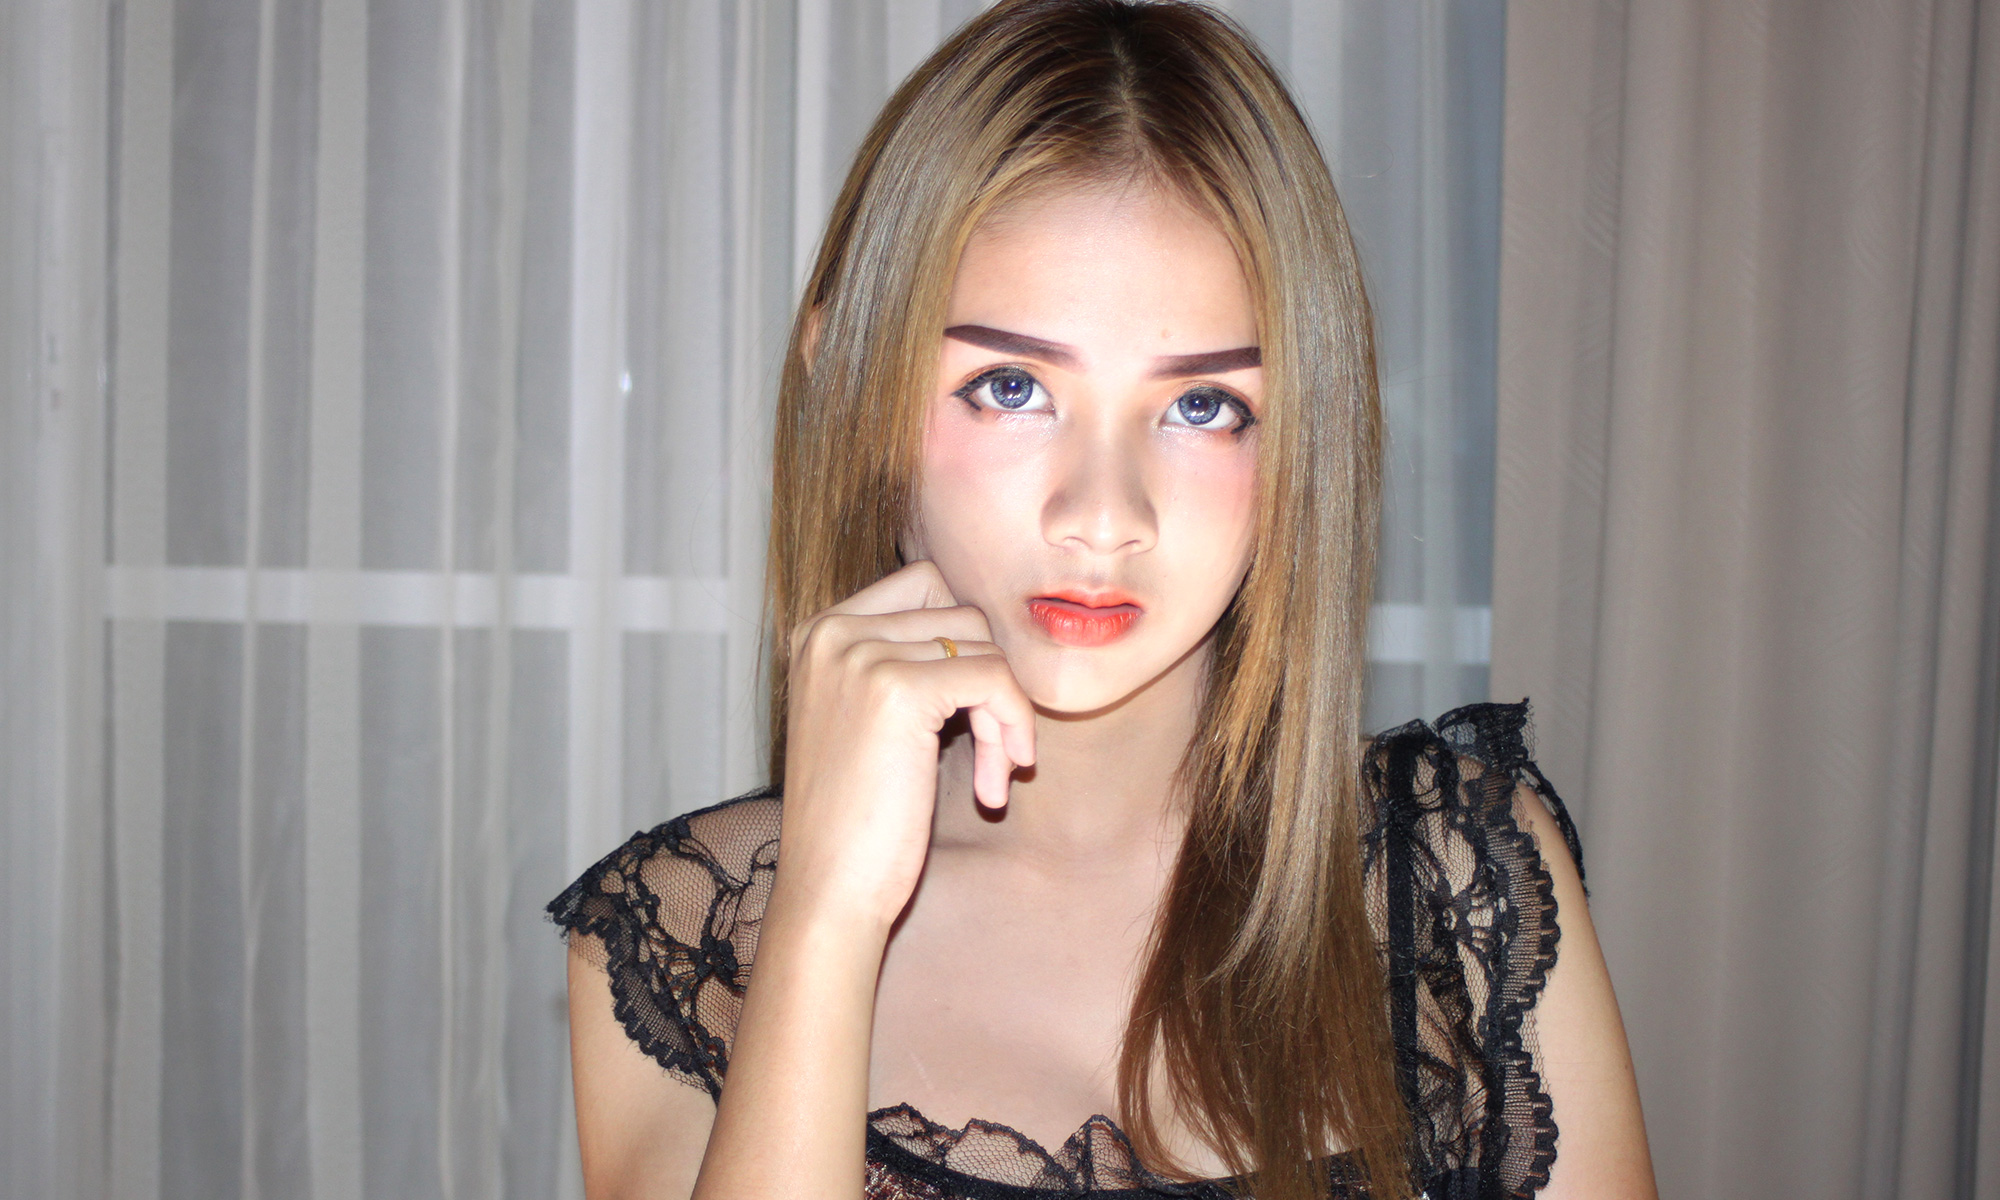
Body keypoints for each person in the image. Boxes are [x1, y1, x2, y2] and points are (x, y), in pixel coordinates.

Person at [549, 2, 1656, 1197]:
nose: (1102, 513)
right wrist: (823, 914)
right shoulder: (684, 938)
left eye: (1200, 407)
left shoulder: (1459, 875)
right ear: (847, 392)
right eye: (1010, 387)